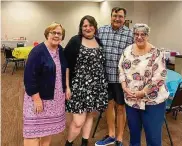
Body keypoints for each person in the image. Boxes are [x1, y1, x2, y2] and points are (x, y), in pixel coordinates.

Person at [118, 23, 169, 146]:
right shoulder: (127, 50)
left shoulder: (156, 53)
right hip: (131, 101)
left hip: (152, 102)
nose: (139, 37)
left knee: (153, 137)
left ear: (148, 36)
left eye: (143, 34)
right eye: (136, 34)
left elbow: (159, 77)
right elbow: (121, 69)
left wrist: (143, 92)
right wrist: (124, 86)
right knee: (134, 136)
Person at [23, 22, 70, 146]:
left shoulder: (60, 50)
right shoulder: (37, 51)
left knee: (47, 131)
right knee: (32, 133)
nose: (56, 35)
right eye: (53, 32)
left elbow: (65, 69)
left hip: (55, 100)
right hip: (39, 98)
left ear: (62, 36)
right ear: (47, 34)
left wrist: (67, 87)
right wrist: (36, 99)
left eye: (59, 33)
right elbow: (29, 77)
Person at [64, 15, 108, 146]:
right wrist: (67, 86)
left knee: (90, 116)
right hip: (79, 87)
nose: (88, 28)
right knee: (78, 122)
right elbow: (66, 64)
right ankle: (69, 143)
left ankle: (84, 143)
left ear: (95, 27)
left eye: (90, 25)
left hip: (97, 86)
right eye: (85, 26)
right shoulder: (75, 41)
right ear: (81, 28)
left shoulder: (98, 41)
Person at [95, 7, 133, 146]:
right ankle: (111, 135)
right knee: (109, 106)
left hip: (121, 80)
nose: (117, 19)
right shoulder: (101, 31)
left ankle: (119, 138)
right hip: (104, 78)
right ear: (111, 16)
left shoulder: (130, 35)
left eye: (121, 16)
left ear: (124, 18)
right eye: (115, 15)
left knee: (121, 107)